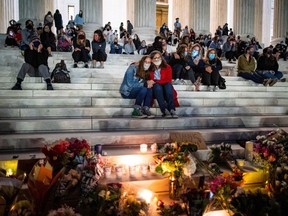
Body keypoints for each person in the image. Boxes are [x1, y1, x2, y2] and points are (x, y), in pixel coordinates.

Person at [149, 50, 179, 118]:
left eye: (158, 57)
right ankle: (164, 109)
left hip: (166, 86)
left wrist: (156, 81)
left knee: (168, 85)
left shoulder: (167, 67)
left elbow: (168, 80)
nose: (157, 59)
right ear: (152, 59)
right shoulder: (149, 68)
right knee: (157, 86)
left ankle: (172, 109)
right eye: (155, 58)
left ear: (161, 58)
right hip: (156, 88)